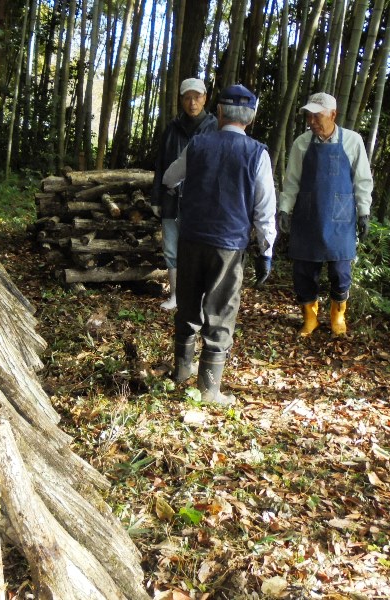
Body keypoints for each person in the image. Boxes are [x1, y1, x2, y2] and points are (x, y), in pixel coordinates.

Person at [162, 84, 276, 403]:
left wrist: (177, 188)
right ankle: (209, 389)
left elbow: (170, 177)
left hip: (191, 239)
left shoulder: (198, 144)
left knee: (187, 304)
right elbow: (265, 210)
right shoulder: (257, 153)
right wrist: (266, 252)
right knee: (221, 311)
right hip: (228, 245)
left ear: (220, 113)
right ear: (250, 118)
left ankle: (181, 371)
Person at [278, 92, 373, 337]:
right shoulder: (301, 142)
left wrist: (364, 212)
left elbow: (362, 180)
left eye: (317, 116)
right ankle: (310, 318)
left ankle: (337, 316)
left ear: (333, 114)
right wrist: (284, 209)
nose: (312, 121)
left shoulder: (353, 141)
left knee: (340, 271)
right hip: (308, 214)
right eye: (309, 116)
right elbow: (292, 181)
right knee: (303, 271)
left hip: (341, 216)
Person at [152, 77, 218, 310]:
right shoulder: (172, 128)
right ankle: (176, 296)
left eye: (197, 97)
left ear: (205, 99)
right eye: (188, 98)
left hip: (201, 201)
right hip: (172, 198)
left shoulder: (214, 127)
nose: (192, 103)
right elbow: (161, 164)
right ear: (181, 100)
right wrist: (156, 198)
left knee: (199, 248)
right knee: (171, 248)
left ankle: (199, 298)